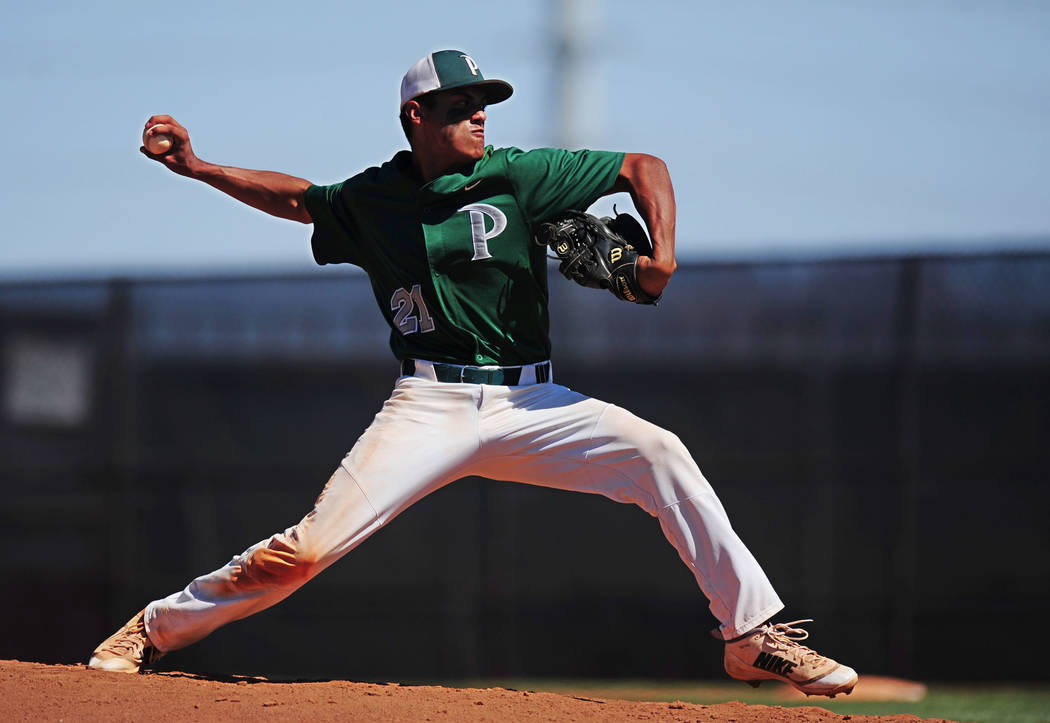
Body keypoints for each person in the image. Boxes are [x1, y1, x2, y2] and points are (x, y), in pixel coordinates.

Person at [88, 50, 858, 697]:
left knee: (660, 452)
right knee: (307, 550)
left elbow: (640, 166)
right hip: (429, 402)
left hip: (533, 400)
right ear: (416, 116)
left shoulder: (518, 175)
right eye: (460, 105)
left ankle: (751, 636)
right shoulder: (376, 198)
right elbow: (299, 199)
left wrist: (662, 255)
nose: (480, 115)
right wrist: (198, 167)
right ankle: (155, 627)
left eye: (484, 103)